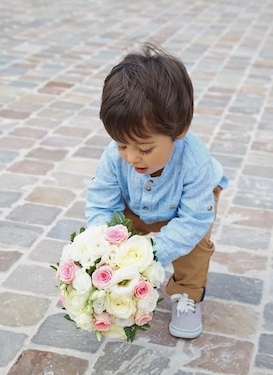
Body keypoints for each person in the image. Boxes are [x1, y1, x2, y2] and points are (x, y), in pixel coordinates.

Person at [85, 42, 228, 339]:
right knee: (116, 234)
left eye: (145, 148)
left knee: (194, 248)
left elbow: (192, 223)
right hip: (133, 203)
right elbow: (101, 205)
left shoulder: (195, 163)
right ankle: (122, 288)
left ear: (180, 129)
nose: (132, 157)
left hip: (186, 209)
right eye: (122, 144)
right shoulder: (115, 158)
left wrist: (147, 257)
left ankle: (187, 294)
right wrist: (109, 254)